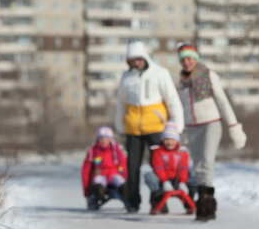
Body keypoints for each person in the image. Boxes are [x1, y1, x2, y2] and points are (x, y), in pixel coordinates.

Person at [176, 43, 247, 221]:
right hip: (191, 127)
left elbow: (222, 101)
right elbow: (181, 107)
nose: (187, 62)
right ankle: (203, 203)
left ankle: (206, 205)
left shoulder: (208, 74)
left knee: (207, 161)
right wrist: (181, 131)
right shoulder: (181, 81)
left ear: (196, 58)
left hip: (211, 123)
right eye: (183, 59)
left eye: (190, 58)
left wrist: (234, 127)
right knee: (199, 165)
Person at [115, 41, 184, 213]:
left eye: (138, 58)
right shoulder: (126, 77)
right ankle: (132, 202)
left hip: (156, 127)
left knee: (158, 166)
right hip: (133, 128)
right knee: (132, 167)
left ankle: (159, 201)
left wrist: (177, 125)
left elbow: (172, 100)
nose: (136, 62)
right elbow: (121, 103)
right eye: (132, 59)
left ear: (145, 57)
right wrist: (120, 124)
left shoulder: (160, 73)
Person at [144, 122, 191, 214]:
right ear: (163, 140)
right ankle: (157, 203)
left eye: (172, 140)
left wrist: (182, 181)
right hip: (162, 180)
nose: (169, 143)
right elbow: (158, 167)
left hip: (177, 180)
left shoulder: (182, 152)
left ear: (177, 140)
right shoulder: (158, 151)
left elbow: (183, 168)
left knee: (193, 176)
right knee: (150, 176)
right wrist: (165, 181)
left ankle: (189, 203)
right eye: (167, 139)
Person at [81, 126, 128, 211]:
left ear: (111, 139)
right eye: (101, 138)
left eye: (106, 138)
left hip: (114, 175)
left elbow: (124, 166)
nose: (104, 140)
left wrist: (125, 177)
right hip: (100, 176)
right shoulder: (93, 151)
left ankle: (128, 201)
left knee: (123, 185)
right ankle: (97, 198)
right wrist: (86, 190)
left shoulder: (117, 151)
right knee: (98, 186)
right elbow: (86, 171)